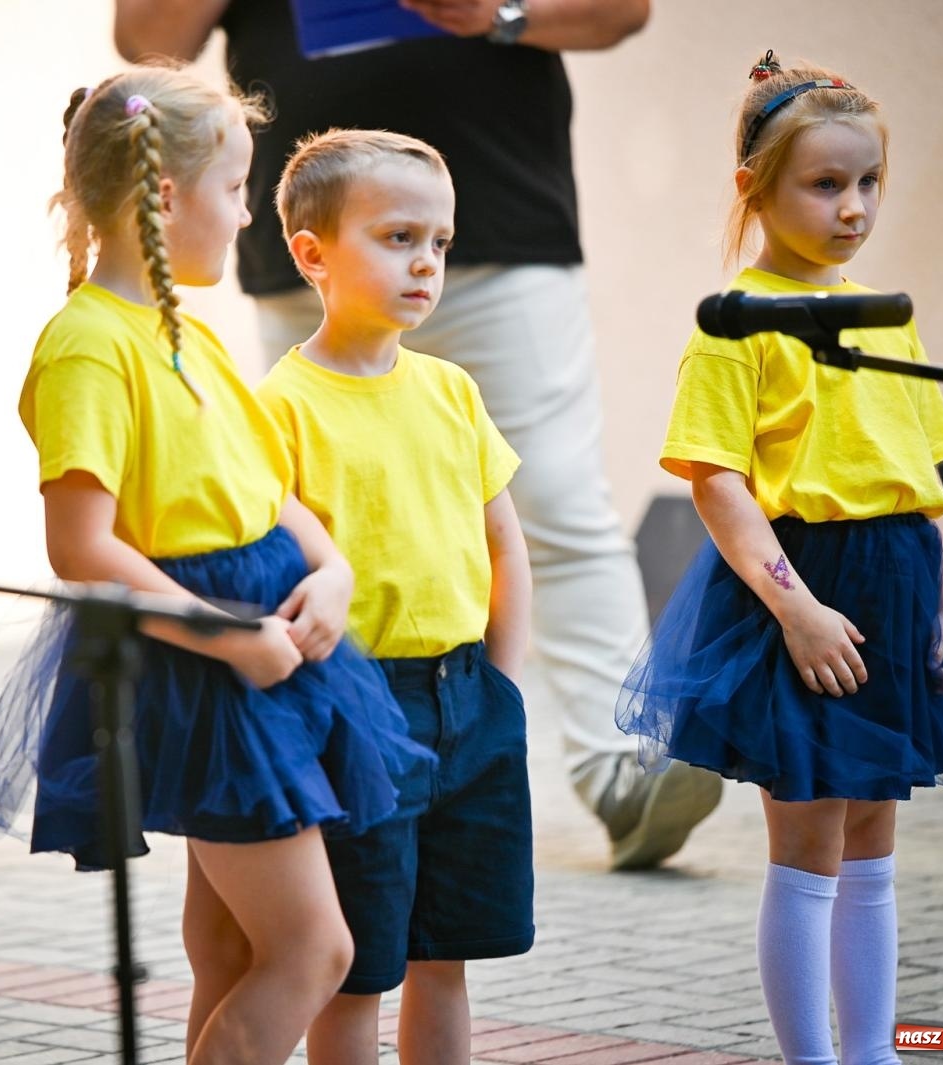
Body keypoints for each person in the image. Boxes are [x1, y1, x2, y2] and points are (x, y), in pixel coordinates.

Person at [114, 0, 722, 871]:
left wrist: (503, 13)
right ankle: (335, 754)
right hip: (310, 243)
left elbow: (622, 10)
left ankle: (621, 769)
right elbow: (148, 43)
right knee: (313, 511)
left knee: (547, 498)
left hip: (501, 217)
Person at [0, 65, 433, 1065]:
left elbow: (269, 493)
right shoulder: (87, 347)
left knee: (235, 943)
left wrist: (328, 573)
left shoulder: (186, 334)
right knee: (313, 948)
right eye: (235, 189)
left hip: (264, 653)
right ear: (163, 196)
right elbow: (81, 545)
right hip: (206, 668)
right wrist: (227, 637)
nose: (245, 216)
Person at [616, 52, 943, 1065]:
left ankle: (871, 1051)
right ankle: (810, 1058)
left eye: (867, 181)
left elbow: (926, 482)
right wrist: (795, 611)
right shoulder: (734, 328)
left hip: (896, 588)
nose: (852, 207)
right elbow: (716, 481)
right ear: (755, 189)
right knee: (809, 840)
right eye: (824, 184)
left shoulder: (886, 320)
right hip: (799, 595)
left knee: (872, 835)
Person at [256, 129, 534, 1065]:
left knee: (445, 954)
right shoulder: (280, 408)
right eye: (398, 237)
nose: (426, 262)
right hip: (358, 709)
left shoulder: (453, 390)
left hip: (470, 700)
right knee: (359, 968)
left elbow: (503, 540)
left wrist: (501, 682)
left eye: (440, 243)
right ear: (313, 254)